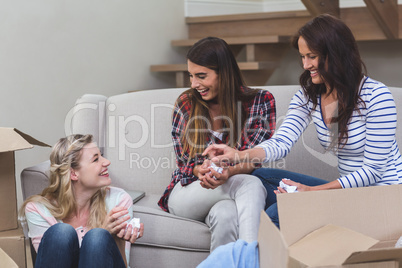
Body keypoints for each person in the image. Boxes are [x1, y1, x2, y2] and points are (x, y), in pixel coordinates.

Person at [203, 14, 402, 228]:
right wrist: (239, 155)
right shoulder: (308, 96)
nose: (305, 65)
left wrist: (311, 192)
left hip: (386, 197)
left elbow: (373, 170)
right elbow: (281, 143)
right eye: (302, 57)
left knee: (279, 211)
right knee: (259, 176)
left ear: (336, 54)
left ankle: (249, 254)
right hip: (349, 194)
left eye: (312, 56)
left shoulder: (375, 95)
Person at [157, 37, 276, 250]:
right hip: (189, 191)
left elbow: (254, 157)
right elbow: (184, 162)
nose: (194, 84)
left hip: (230, 189)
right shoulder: (186, 102)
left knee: (226, 214)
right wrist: (199, 169)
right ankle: (251, 258)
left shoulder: (261, 101)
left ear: (225, 73)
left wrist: (227, 173)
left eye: (201, 76)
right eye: (191, 76)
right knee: (251, 184)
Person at [19, 134, 144, 268]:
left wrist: (115, 238)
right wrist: (103, 230)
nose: (107, 162)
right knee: (61, 232)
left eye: (101, 155)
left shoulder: (118, 200)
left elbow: (124, 264)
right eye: (96, 159)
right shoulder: (38, 209)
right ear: (73, 173)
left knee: (97, 237)